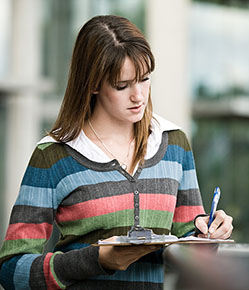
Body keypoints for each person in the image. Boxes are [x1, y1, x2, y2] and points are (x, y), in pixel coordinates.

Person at [0, 15, 233, 290]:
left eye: (145, 79)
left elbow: (188, 248)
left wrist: (208, 233)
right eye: (122, 85)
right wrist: (96, 259)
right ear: (93, 84)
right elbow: (11, 269)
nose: (139, 96)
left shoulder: (174, 144)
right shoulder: (53, 156)